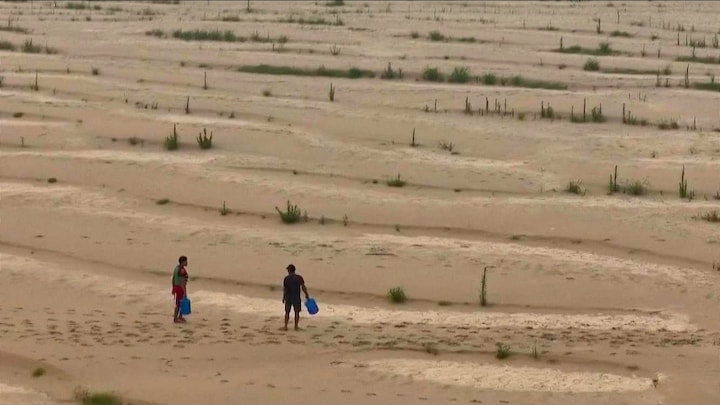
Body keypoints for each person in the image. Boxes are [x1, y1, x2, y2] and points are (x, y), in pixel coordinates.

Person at [282, 264, 309, 331]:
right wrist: (306, 294)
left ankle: (285, 326)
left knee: (287, 312)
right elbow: (303, 287)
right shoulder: (299, 277)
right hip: (296, 297)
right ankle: (296, 326)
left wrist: (284, 297)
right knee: (297, 312)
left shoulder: (286, 278)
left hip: (288, 297)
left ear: (289, 270)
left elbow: (285, 289)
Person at [171, 255, 189, 323]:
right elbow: (182, 281)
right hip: (180, 288)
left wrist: (173, 288)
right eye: (185, 261)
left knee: (180, 303)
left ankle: (179, 317)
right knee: (179, 303)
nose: (187, 262)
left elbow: (173, 279)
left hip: (176, 287)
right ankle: (176, 318)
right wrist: (184, 290)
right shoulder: (181, 270)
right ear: (182, 262)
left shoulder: (176, 268)